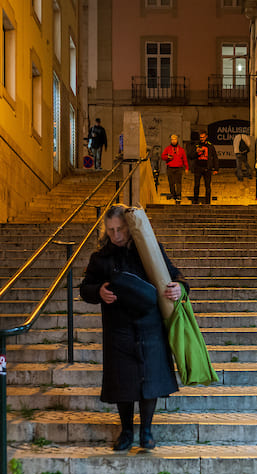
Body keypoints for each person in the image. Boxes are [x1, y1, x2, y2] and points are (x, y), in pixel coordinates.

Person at [78, 205, 184, 451]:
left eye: (120, 229)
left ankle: (146, 432)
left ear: (130, 227)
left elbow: (176, 276)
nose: (116, 235)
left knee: (151, 379)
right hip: (118, 328)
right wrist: (99, 292)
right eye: (111, 230)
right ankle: (126, 432)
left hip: (150, 325)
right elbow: (85, 288)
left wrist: (179, 288)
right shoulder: (100, 257)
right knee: (122, 382)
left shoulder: (149, 249)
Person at [190, 131, 219, 204]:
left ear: (206, 137)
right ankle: (195, 200)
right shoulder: (196, 145)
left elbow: (215, 157)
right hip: (198, 167)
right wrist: (196, 152)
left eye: (203, 137)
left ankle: (207, 202)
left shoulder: (210, 146)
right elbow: (190, 156)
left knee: (208, 186)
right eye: (200, 137)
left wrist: (216, 168)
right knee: (196, 185)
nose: (202, 139)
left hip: (207, 168)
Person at [159, 134, 188, 201]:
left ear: (177, 140)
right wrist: (167, 157)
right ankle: (173, 194)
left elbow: (184, 159)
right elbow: (163, 156)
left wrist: (186, 167)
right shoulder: (167, 148)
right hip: (170, 168)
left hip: (179, 168)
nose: (173, 141)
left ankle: (178, 195)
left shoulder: (181, 150)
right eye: (172, 139)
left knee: (178, 182)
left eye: (175, 139)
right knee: (171, 182)